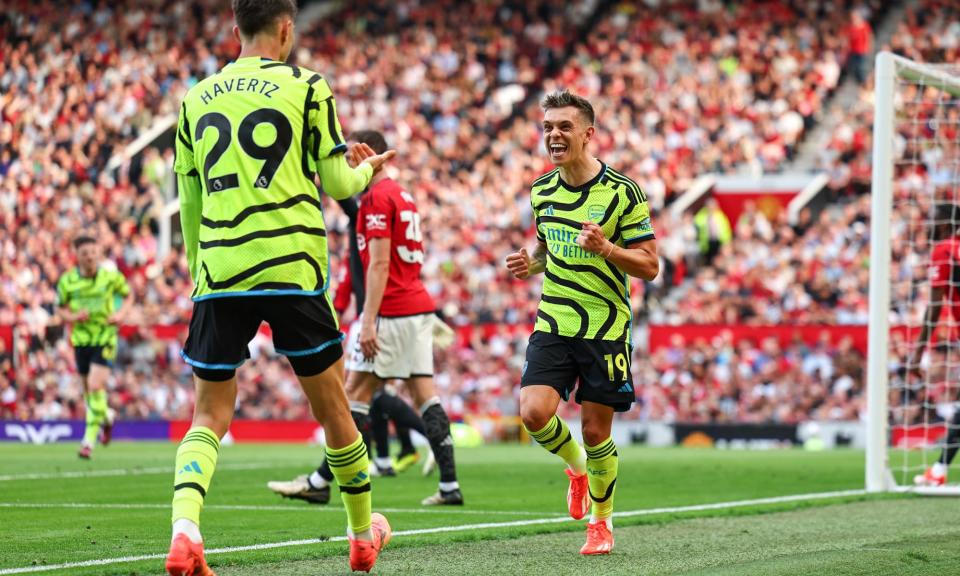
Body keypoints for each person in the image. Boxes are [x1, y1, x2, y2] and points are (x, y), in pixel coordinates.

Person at [167, 1, 396, 573]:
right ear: (287, 28)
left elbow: (190, 205)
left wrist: (201, 270)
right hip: (292, 267)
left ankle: (186, 531)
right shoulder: (308, 87)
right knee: (334, 409)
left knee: (209, 415)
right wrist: (370, 169)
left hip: (221, 269)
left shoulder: (195, 99)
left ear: (235, 27)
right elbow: (340, 179)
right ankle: (361, 534)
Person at [268, 130, 463, 507]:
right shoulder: (401, 195)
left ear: (362, 154)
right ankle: (450, 485)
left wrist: (369, 320)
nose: (345, 167)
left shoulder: (376, 197)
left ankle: (321, 480)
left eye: (347, 159)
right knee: (424, 394)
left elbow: (378, 263)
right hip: (416, 307)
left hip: (390, 309)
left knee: (352, 396)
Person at [505, 89, 659, 555]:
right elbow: (547, 249)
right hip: (554, 321)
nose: (554, 135)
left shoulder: (622, 192)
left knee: (596, 433)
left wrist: (608, 250)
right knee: (533, 413)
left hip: (604, 327)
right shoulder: (541, 190)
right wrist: (528, 263)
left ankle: (602, 522)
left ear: (588, 134)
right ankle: (575, 469)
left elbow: (650, 265)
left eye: (564, 127)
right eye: (548, 127)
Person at [56, 235, 132, 459]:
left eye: (92, 252)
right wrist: (72, 316)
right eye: (84, 253)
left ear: (98, 253)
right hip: (81, 340)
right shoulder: (67, 281)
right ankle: (107, 417)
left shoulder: (111, 277)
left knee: (95, 385)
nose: (89, 256)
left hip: (105, 337)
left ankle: (88, 441)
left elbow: (128, 296)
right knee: (89, 393)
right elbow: (60, 308)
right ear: (77, 256)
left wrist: (120, 314)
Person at [913, 204, 960, 488]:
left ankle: (939, 470)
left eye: (932, 218)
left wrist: (917, 354)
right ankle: (939, 469)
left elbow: (933, 308)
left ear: (944, 223)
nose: (928, 224)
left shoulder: (945, 249)